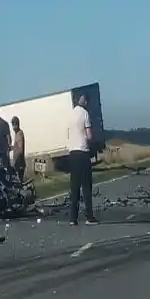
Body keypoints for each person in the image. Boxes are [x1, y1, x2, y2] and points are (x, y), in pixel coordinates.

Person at [67, 94, 98, 226]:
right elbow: (89, 136)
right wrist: (93, 145)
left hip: (72, 153)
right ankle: (89, 217)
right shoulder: (85, 114)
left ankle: (72, 218)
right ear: (85, 101)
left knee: (74, 186)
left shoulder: (71, 114)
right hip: (83, 152)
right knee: (86, 186)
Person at [11, 116, 26, 181]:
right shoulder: (17, 133)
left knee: (19, 181)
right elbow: (17, 147)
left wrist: (16, 162)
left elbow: (20, 150)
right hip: (18, 163)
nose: (13, 128)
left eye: (14, 125)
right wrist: (12, 148)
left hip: (19, 163)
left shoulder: (19, 134)